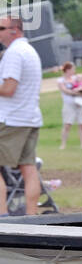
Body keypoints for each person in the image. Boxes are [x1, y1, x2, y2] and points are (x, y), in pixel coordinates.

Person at [0, 15, 43, 216]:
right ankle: (32, 216)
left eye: (1, 28)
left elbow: (9, 88)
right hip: (30, 117)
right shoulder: (30, 50)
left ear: (14, 30)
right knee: (29, 168)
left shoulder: (14, 53)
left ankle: (2, 215)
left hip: (12, 119)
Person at [58, 60, 82, 148]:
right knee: (67, 124)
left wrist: (80, 90)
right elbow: (65, 90)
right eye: (72, 69)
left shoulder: (77, 78)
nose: (74, 71)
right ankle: (63, 144)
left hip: (80, 104)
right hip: (69, 104)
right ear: (67, 70)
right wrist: (76, 92)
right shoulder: (61, 80)